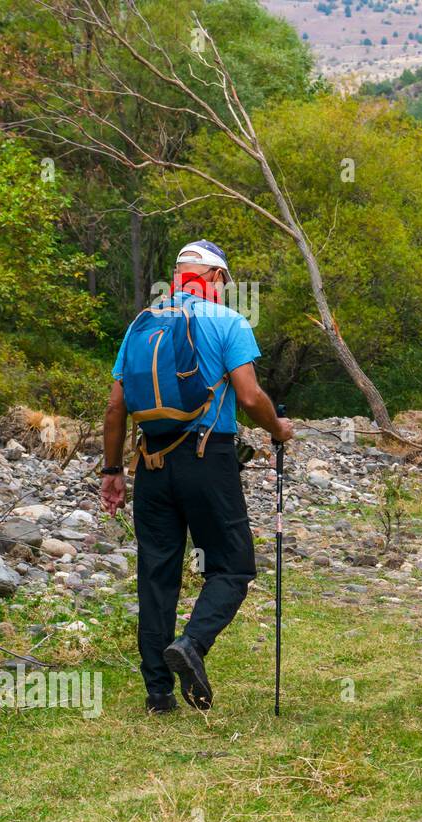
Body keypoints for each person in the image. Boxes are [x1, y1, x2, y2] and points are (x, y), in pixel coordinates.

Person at [101, 240, 293, 714]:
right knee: (232, 566)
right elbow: (249, 397)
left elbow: (115, 407)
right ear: (212, 277)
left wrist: (112, 472)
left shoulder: (141, 325)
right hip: (208, 457)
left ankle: (158, 693)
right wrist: (278, 429)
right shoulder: (228, 322)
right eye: (224, 282)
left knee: (157, 572)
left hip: (150, 463)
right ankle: (193, 643)